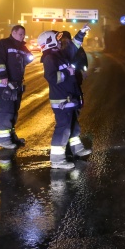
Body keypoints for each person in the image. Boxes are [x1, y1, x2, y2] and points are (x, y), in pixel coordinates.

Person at [38, 25, 92, 169]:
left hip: (70, 97)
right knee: (63, 128)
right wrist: (68, 72)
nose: (59, 41)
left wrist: (82, 33)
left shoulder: (60, 54)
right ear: (49, 41)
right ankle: (57, 160)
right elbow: (51, 78)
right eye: (56, 39)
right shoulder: (49, 58)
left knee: (73, 125)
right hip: (62, 100)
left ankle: (77, 149)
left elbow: (74, 46)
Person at [0, 24, 34, 149]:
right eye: (20, 34)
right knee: (7, 112)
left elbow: (28, 58)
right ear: (13, 33)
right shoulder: (3, 44)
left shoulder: (22, 47)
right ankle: (4, 140)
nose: (23, 36)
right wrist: (3, 75)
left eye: (24, 34)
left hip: (16, 85)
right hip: (4, 85)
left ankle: (11, 136)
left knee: (14, 112)